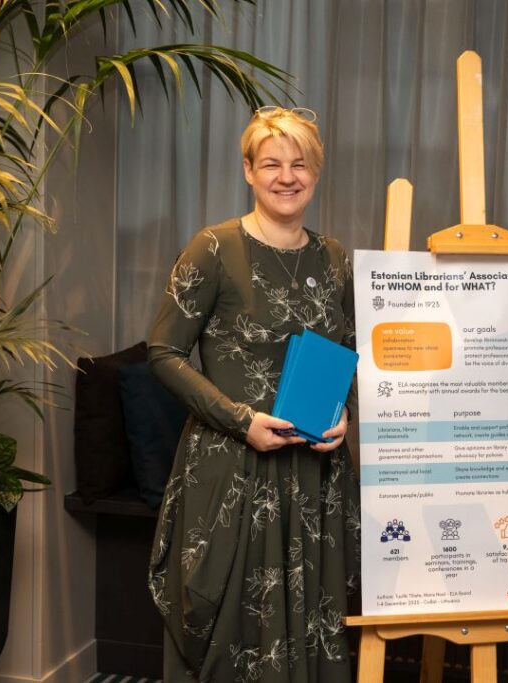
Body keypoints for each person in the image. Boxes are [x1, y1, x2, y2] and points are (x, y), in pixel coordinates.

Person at [146, 106, 359, 682]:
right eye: (271, 164)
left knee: (312, 623)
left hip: (314, 477)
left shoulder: (336, 258)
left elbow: (349, 352)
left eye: (300, 164)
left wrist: (342, 414)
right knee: (231, 631)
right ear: (248, 170)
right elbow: (162, 353)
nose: (287, 177)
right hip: (234, 471)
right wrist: (241, 421)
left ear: (316, 172)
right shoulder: (213, 249)